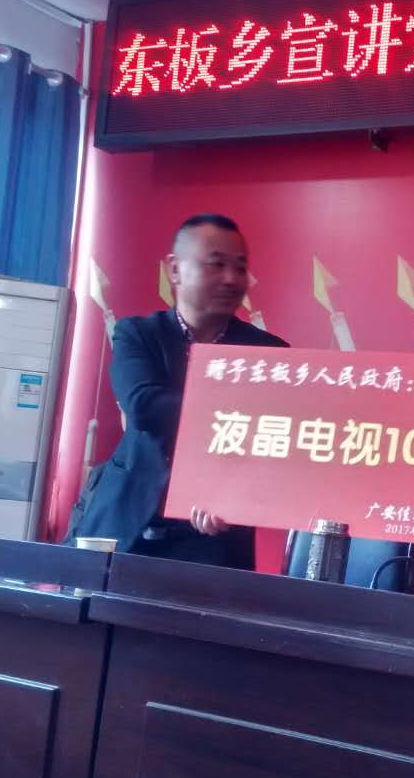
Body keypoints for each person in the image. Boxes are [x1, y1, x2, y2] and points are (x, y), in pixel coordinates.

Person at [65, 214, 287, 566]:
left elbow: (274, 440)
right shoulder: (138, 333)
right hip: (125, 526)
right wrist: (238, 421)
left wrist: (235, 497)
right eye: (216, 264)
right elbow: (143, 406)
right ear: (174, 269)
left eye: (240, 268)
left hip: (214, 536)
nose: (231, 278)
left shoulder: (269, 354)